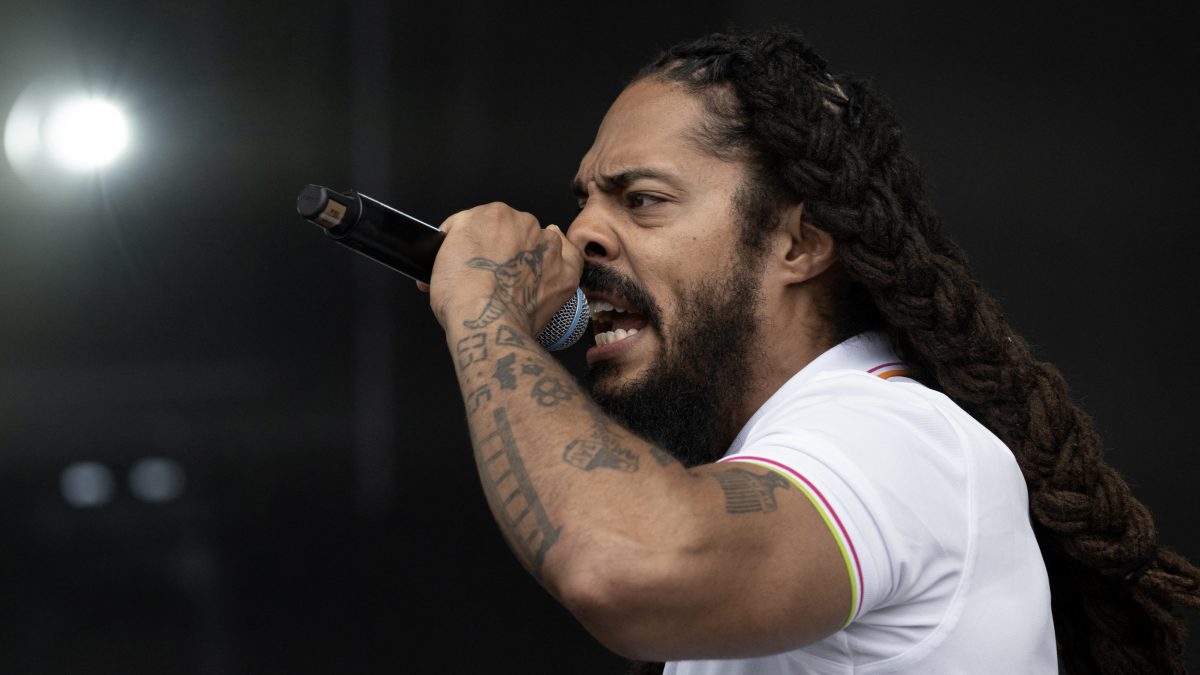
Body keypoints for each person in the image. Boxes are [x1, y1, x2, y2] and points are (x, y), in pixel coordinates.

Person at [422, 29, 1200, 674]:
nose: (581, 232)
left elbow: (620, 565)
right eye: (585, 199)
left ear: (798, 242)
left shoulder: (889, 434)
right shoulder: (784, 456)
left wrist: (484, 307)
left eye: (642, 199)